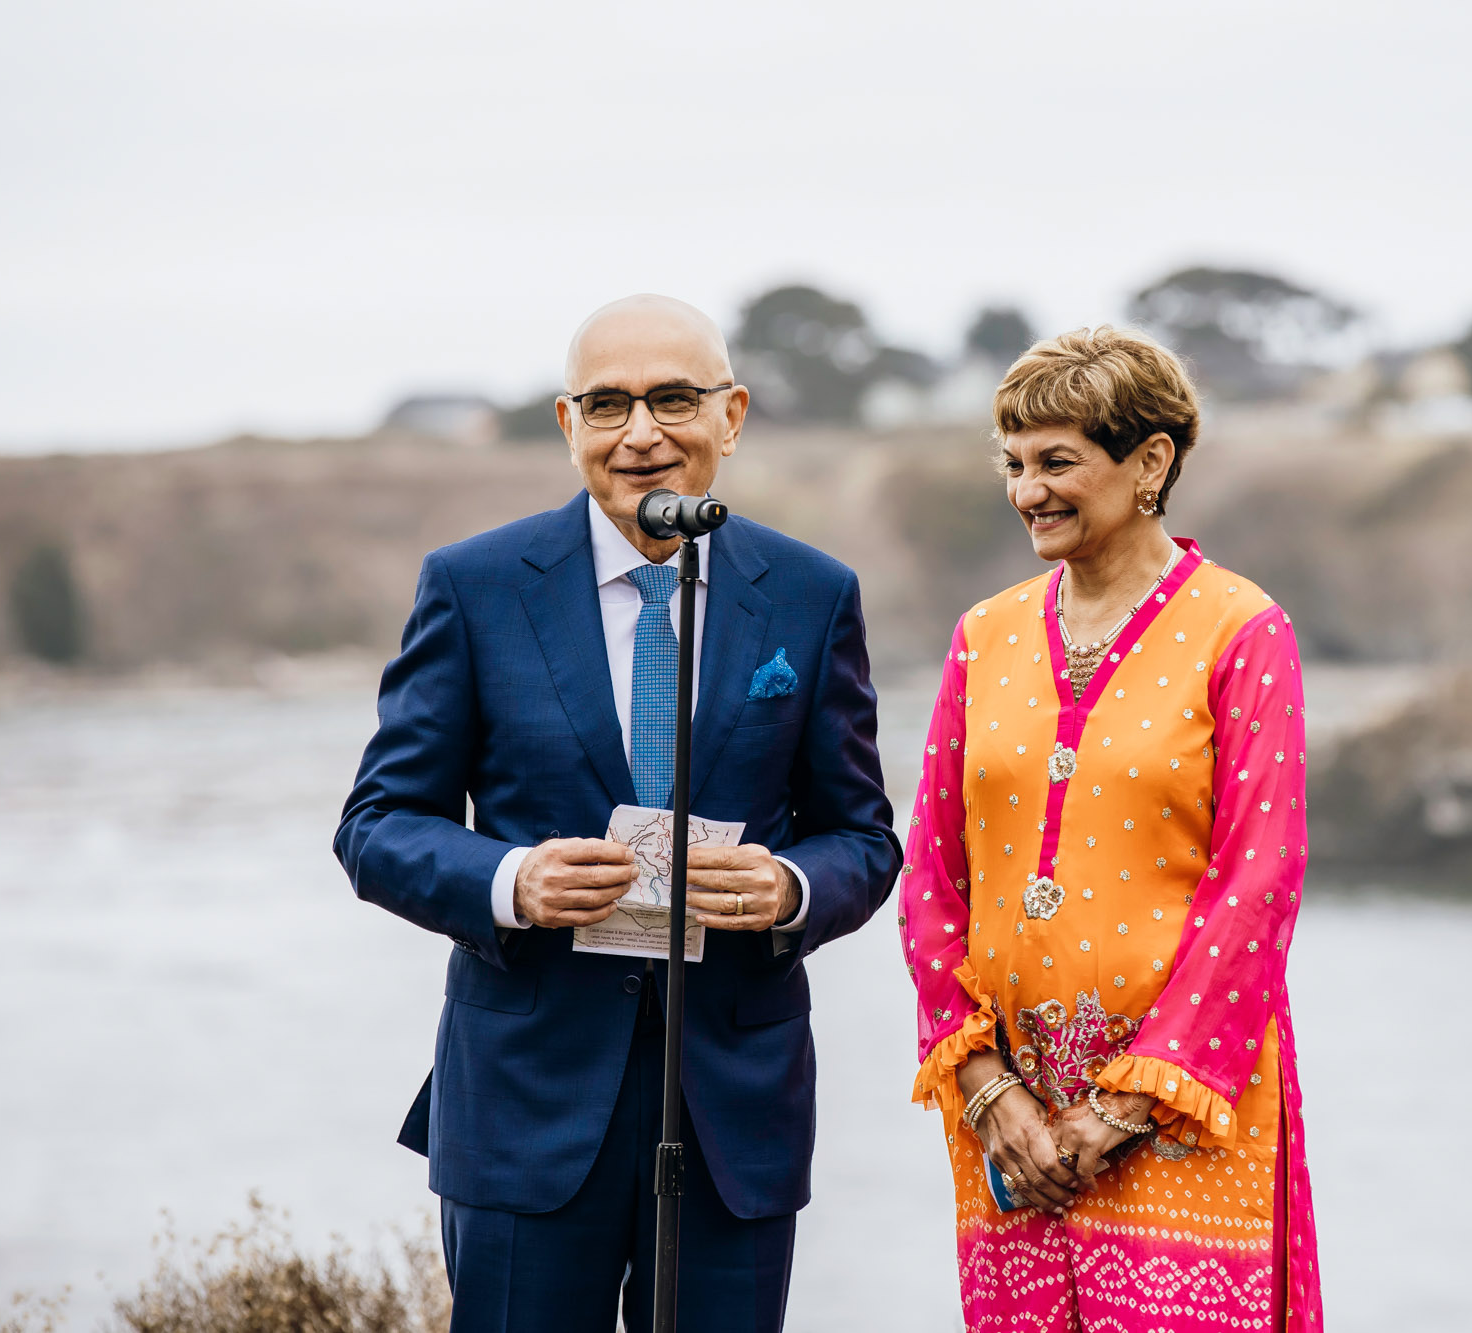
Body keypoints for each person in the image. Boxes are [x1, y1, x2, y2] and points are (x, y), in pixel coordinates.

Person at [334, 295, 901, 1332]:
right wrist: (511, 881)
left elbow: (862, 838)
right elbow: (376, 824)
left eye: (672, 400)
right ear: (567, 425)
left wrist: (789, 887)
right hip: (524, 1104)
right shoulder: (473, 586)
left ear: (730, 416)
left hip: (734, 1109)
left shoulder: (811, 595)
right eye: (607, 405)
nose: (640, 433)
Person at [899, 326, 1321, 1331]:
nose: (1026, 490)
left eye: (1055, 461)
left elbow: (1258, 881)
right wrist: (987, 1087)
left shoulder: (1240, 629)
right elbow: (929, 881)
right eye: (1012, 463)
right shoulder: (982, 636)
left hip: (1183, 1114)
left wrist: (1125, 1107)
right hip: (1011, 1130)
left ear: (1150, 462)